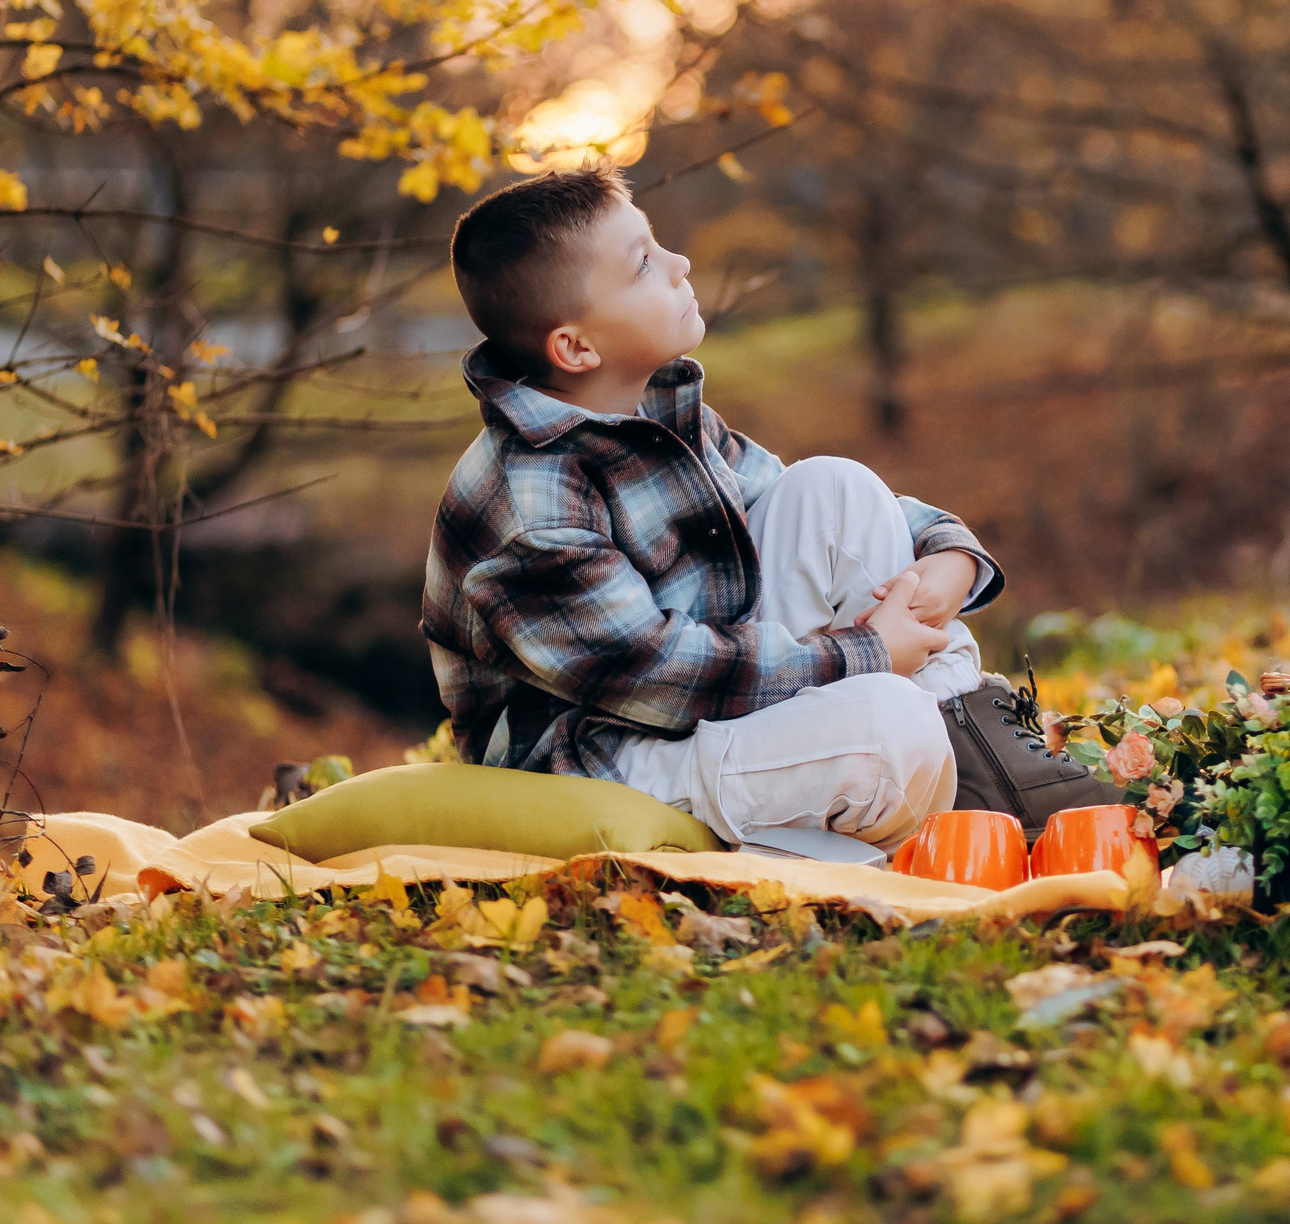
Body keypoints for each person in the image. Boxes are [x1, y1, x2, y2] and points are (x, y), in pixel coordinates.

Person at [420, 165, 998, 855]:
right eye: (642, 265)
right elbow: (661, 673)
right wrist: (868, 654)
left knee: (833, 489)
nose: (680, 263)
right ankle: (927, 758)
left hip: (699, 700)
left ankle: (968, 738)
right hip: (599, 758)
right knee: (892, 728)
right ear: (576, 346)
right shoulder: (532, 508)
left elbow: (790, 502)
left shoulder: (652, 406)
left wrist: (948, 553)